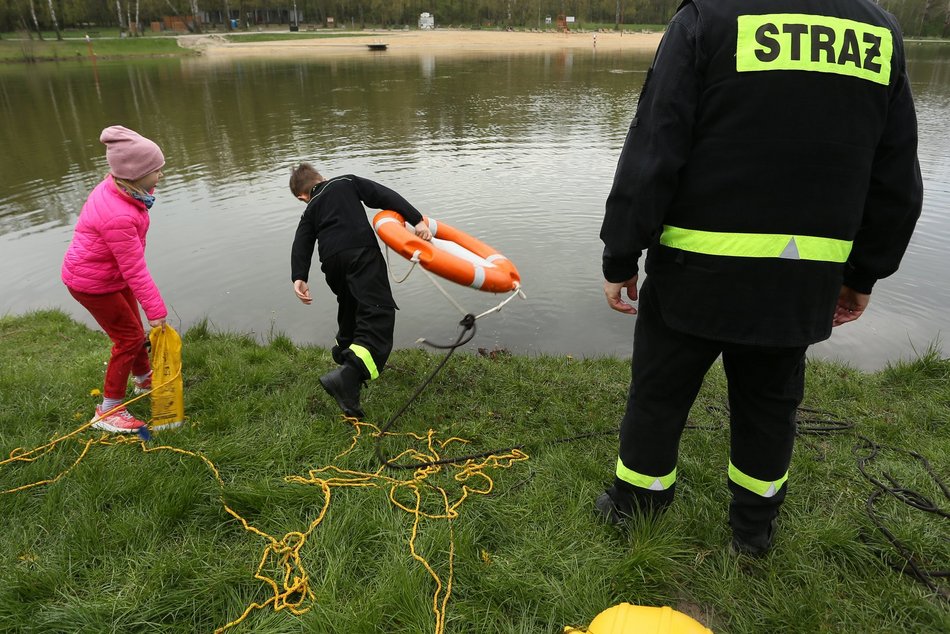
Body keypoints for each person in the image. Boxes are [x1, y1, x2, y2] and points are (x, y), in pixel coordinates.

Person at [596, 0, 923, 557]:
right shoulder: (877, 30)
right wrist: (865, 272)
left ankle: (637, 507)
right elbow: (895, 172)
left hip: (694, 273)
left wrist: (621, 253)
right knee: (770, 407)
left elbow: (655, 144)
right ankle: (752, 530)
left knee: (659, 394)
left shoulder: (707, 18)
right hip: (800, 281)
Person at [289, 163, 432, 419]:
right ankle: (348, 375)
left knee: (351, 309)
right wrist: (416, 219)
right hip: (360, 253)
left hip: (332, 263)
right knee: (377, 312)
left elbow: (302, 240)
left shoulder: (310, 209)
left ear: (303, 196)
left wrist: (299, 276)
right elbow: (383, 195)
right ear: (322, 177)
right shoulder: (346, 181)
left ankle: (345, 355)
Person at [62, 125, 169, 433]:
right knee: (129, 338)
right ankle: (108, 410)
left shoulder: (120, 187)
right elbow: (134, 268)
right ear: (136, 173)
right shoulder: (119, 214)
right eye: (156, 170)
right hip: (92, 284)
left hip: (109, 274)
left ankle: (143, 378)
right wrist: (157, 313)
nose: (160, 174)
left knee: (132, 331)